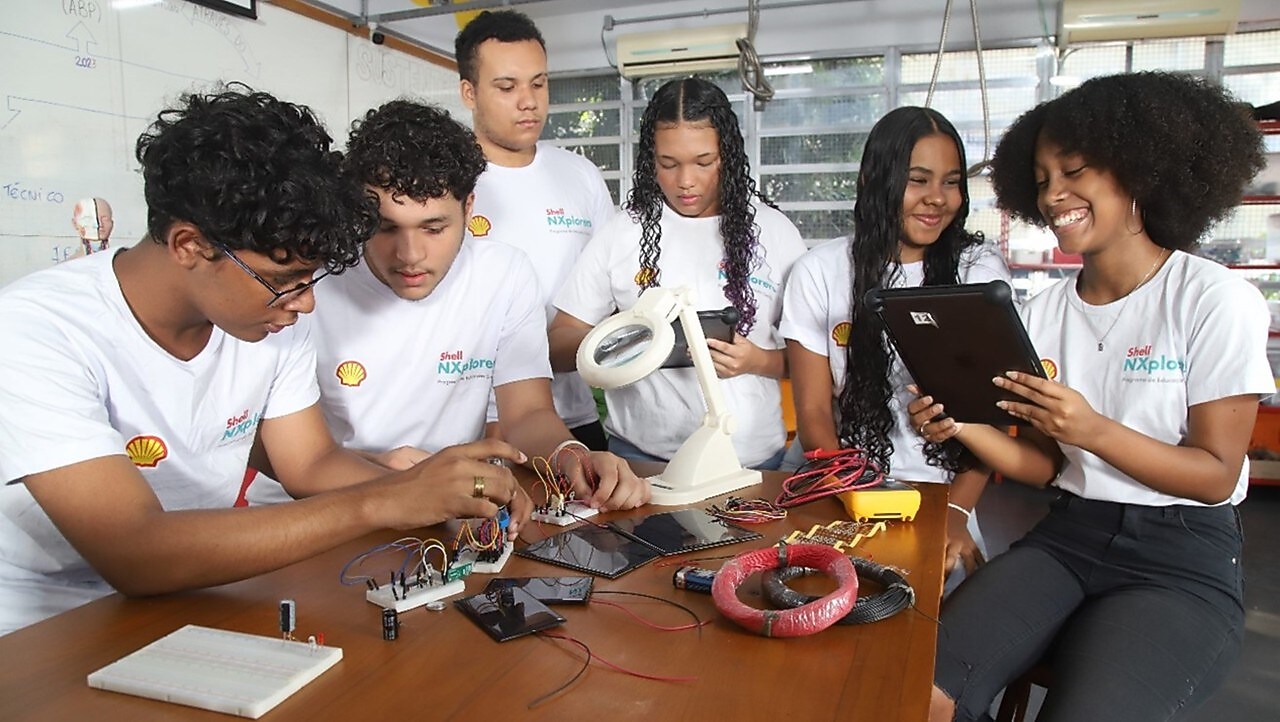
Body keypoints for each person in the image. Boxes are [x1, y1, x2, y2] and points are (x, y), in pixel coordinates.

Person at [0, 85, 532, 636]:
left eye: (310, 279)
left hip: (201, 596)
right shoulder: (37, 331)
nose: (306, 303)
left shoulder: (270, 319)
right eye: (284, 280)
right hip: (46, 628)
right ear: (188, 245)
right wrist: (384, 500)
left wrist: (436, 490)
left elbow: (310, 464)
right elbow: (134, 551)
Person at [912, 72, 1269, 721]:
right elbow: (1046, 466)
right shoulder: (1041, 315)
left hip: (1181, 558)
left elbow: (1216, 475)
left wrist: (1093, 430)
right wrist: (962, 425)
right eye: (1041, 179)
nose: (1054, 195)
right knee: (917, 695)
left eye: (1074, 171)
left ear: (1138, 171)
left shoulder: (1213, 299)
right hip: (1070, 536)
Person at [314, 99, 648, 511]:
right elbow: (282, 450)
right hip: (328, 507)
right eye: (386, 228)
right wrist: (379, 473)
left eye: (434, 228)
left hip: (453, 514)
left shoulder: (504, 273)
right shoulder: (312, 283)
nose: (410, 254)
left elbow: (526, 414)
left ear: (468, 207)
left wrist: (573, 456)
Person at [779, 106, 1015, 579]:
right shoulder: (819, 271)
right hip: (840, 480)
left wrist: (957, 513)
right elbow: (814, 412)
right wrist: (858, 496)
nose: (937, 198)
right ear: (873, 179)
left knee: (943, 598)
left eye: (951, 182)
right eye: (918, 180)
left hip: (944, 492)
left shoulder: (979, 272)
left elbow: (994, 415)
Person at [549, 77, 807, 470]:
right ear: (651, 159)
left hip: (754, 463)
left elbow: (816, 363)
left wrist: (756, 361)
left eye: (703, 162)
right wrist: (623, 344)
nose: (685, 181)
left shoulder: (775, 232)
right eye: (668, 164)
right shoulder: (623, 233)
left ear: (728, 155)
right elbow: (557, 345)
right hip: (640, 461)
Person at [455, 10, 615, 450]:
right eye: (507, 87)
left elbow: (610, 286)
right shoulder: (445, 182)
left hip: (571, 414)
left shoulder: (581, 176)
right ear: (469, 92)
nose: (528, 101)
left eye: (538, 84)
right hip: (472, 420)